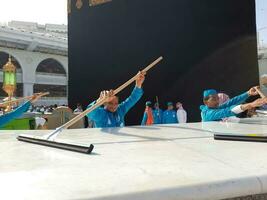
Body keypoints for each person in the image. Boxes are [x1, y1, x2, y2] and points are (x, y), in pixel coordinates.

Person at [200, 86, 267, 122]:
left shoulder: (214, 108)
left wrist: (248, 93)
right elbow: (227, 111)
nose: (217, 101)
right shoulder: (207, 113)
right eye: (214, 99)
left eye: (218, 98)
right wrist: (251, 104)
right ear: (205, 102)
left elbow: (231, 102)